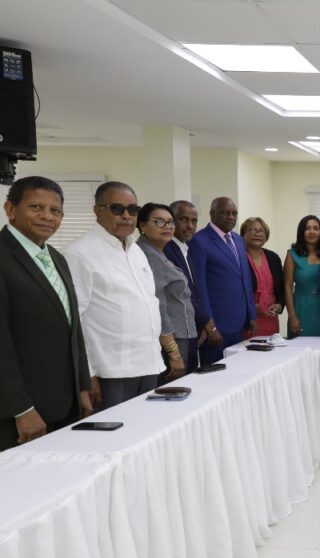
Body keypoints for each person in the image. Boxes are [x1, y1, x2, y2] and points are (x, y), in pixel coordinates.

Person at [0, 176, 93, 450]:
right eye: (36, 207)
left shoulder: (56, 257)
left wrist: (82, 387)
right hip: (19, 416)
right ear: (10, 209)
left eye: (55, 211)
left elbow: (72, 328)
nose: (47, 217)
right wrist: (21, 409)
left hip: (65, 405)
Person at [64, 181, 164, 408]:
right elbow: (73, 320)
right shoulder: (79, 253)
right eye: (117, 209)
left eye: (133, 210)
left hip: (148, 363)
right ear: (98, 211)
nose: (127, 216)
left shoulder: (136, 250)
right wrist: (88, 374)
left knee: (148, 426)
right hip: (110, 371)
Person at [188, 196, 255, 363]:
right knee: (216, 374)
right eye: (225, 213)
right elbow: (199, 288)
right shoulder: (199, 241)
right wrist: (210, 326)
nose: (231, 217)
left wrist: (251, 314)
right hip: (216, 326)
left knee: (238, 370)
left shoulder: (238, 240)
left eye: (234, 213)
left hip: (239, 323)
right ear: (212, 214)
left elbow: (245, 279)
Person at [136, 203, 195, 381]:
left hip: (181, 334)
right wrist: (173, 352)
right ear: (142, 225)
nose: (167, 227)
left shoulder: (158, 252)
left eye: (170, 222)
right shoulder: (147, 255)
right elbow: (159, 307)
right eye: (159, 222)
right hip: (170, 340)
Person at [165, 199, 210, 371]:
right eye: (184, 219)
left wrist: (202, 323)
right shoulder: (166, 250)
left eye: (194, 221)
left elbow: (195, 292)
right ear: (171, 221)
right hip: (176, 331)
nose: (190, 226)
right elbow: (181, 294)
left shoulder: (186, 249)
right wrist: (206, 321)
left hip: (192, 327)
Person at [284, 214, 320, 337]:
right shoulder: (292, 255)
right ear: (301, 232)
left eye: (316, 228)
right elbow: (287, 287)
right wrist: (292, 316)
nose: (312, 232)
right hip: (300, 310)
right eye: (307, 228)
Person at [240, 217, 284, 337]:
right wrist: (252, 308)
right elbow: (234, 290)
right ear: (243, 233)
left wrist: (279, 305)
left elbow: (282, 287)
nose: (257, 233)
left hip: (270, 319)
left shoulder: (273, 257)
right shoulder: (238, 257)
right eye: (252, 229)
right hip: (247, 318)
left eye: (261, 231)